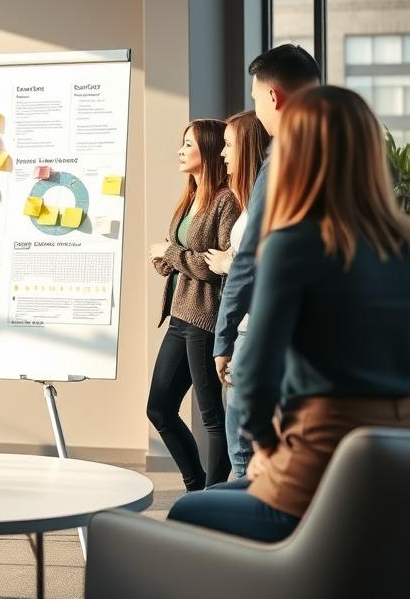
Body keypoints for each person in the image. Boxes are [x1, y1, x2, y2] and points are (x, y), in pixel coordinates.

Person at [168, 86, 410, 542]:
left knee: (188, 510)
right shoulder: (403, 244)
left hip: (309, 487)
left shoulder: (294, 243)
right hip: (390, 482)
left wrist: (265, 447)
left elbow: (256, 373)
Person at [213, 44, 321, 400]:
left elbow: (249, 258)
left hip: (270, 330)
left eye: (256, 99)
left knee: (244, 446)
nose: (256, 110)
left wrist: (224, 336)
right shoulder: (346, 154)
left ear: (273, 96)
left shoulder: (280, 162)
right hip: (331, 336)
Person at [148, 119, 240, 490]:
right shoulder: (190, 196)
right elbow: (188, 255)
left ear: (209, 149)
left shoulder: (226, 201)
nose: (181, 151)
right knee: (159, 408)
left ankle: (212, 495)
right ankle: (195, 485)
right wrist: (168, 259)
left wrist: (173, 252)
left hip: (204, 318)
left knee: (211, 418)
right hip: (179, 314)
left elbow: (220, 267)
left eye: (189, 144)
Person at [203, 110, 269, 477]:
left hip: (248, 329)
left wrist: (231, 264)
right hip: (242, 327)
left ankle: (241, 526)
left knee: (240, 448)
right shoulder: (251, 200)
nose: (223, 154)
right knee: (238, 442)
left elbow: (255, 265)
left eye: (228, 145)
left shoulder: (255, 197)